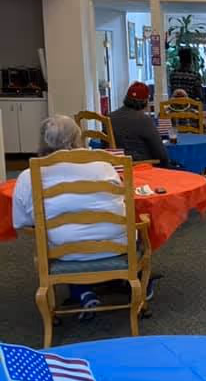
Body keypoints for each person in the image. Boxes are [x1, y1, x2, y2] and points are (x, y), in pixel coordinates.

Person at [12, 116, 128, 319]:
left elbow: (21, 223)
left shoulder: (29, 176)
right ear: (78, 138)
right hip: (116, 245)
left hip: (65, 253)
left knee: (59, 238)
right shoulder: (104, 165)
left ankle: (78, 290)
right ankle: (126, 282)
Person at [110, 82, 170, 165]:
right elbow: (161, 154)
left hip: (115, 168)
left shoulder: (110, 117)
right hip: (141, 167)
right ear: (145, 101)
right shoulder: (144, 120)